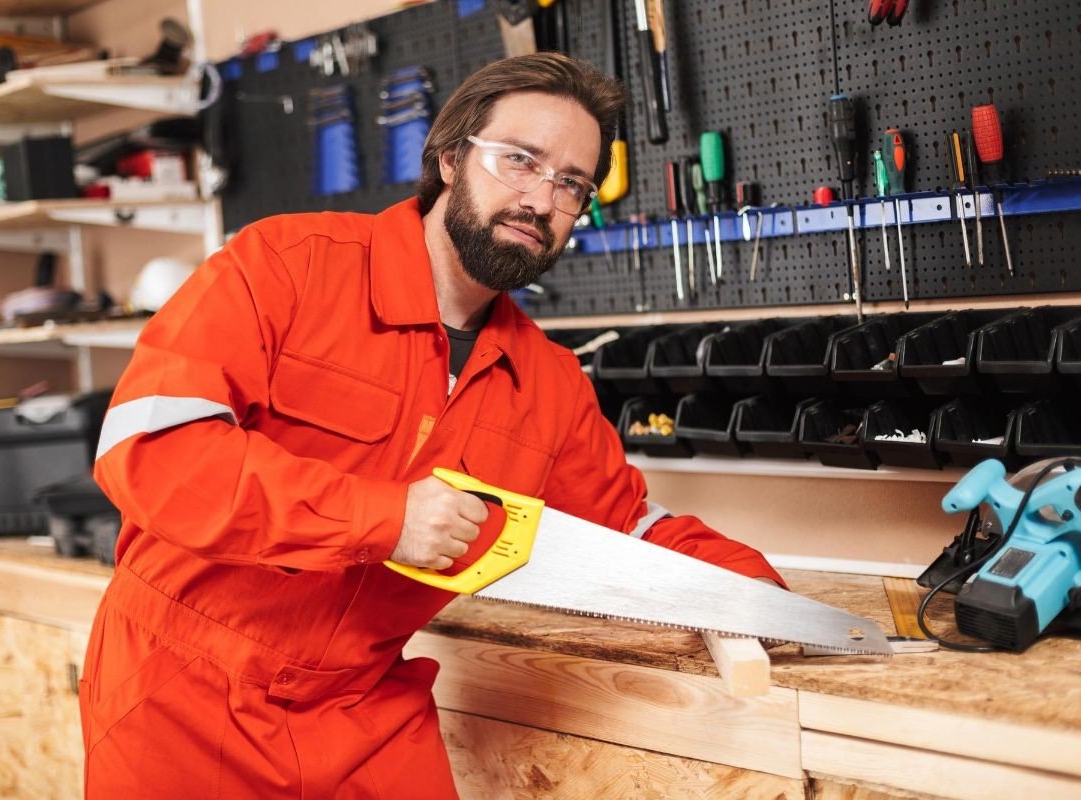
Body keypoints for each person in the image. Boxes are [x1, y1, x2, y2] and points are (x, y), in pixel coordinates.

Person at [81, 52, 785, 799]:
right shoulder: (285, 265)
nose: (540, 199)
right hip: (180, 690)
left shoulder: (548, 382)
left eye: (571, 184)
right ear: (450, 158)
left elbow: (624, 529)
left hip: (360, 705)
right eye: (520, 160)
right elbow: (151, 452)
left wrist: (755, 591)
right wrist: (384, 520)